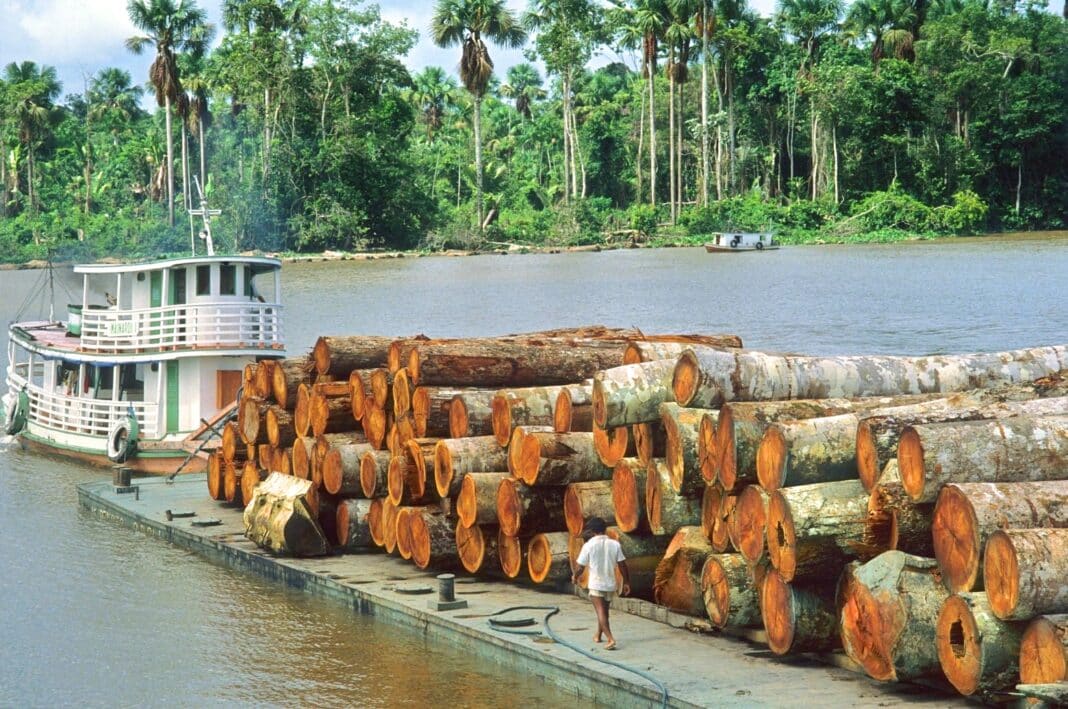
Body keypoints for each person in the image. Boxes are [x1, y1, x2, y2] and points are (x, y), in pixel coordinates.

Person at [571, 517, 630, 650]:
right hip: (610, 583)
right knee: (604, 611)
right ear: (605, 529)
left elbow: (580, 566)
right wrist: (626, 582)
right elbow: (623, 565)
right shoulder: (615, 544)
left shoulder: (588, 545)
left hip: (596, 584)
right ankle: (598, 635)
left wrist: (575, 576)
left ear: (592, 531)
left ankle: (610, 639)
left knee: (600, 612)